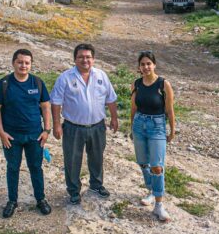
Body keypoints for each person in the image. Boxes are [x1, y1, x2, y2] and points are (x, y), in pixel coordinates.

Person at [50, 43, 119, 205]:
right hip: (73, 127)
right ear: (75, 59)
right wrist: (57, 124)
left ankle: (96, 185)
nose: (84, 60)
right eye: (81, 57)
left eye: (88, 57)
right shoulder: (65, 78)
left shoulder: (101, 76)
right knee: (72, 160)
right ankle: (74, 191)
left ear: (93, 59)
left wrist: (114, 118)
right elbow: (56, 102)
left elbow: (111, 98)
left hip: (98, 126)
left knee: (97, 157)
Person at [0, 49, 53, 218]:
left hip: (35, 136)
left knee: (36, 168)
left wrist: (47, 130)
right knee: (12, 168)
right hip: (11, 137)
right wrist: (1, 133)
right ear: (13, 63)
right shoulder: (4, 83)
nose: (23, 65)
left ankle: (40, 199)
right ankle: (12, 201)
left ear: (31, 64)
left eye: (27, 62)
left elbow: (46, 106)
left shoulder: (37, 83)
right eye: (20, 62)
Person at [130, 51, 175, 222]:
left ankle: (159, 205)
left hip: (157, 126)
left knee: (157, 166)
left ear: (154, 65)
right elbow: (133, 108)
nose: (146, 67)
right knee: (143, 162)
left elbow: (170, 110)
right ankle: (150, 190)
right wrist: (131, 128)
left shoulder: (163, 84)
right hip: (139, 125)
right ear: (139, 67)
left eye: (149, 63)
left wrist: (172, 130)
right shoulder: (136, 84)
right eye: (142, 64)